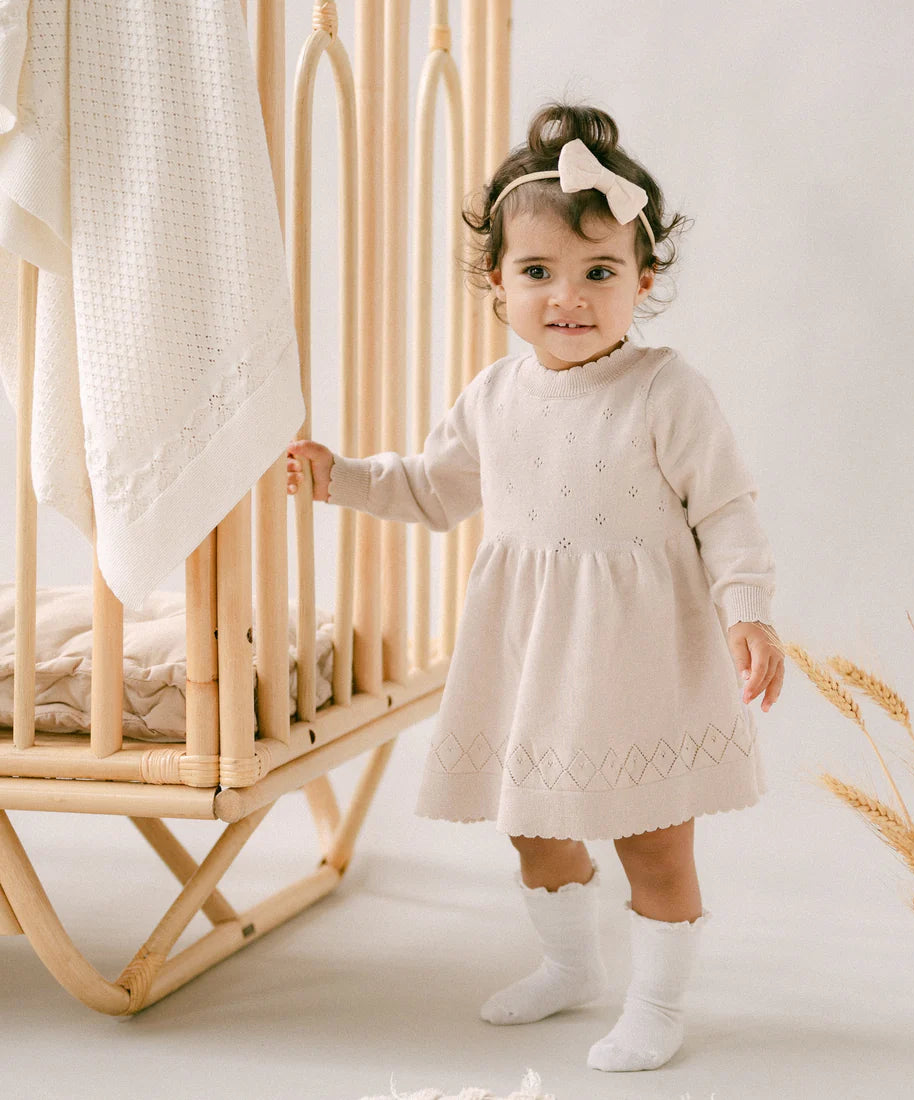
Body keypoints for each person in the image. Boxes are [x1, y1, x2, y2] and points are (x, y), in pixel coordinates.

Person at [286, 101, 783, 1074]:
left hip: (640, 654)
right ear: (496, 282)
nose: (569, 297)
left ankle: (656, 1002)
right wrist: (340, 476)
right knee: (535, 827)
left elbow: (725, 508)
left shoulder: (664, 390)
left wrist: (749, 612)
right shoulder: (492, 396)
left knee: (652, 837)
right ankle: (570, 963)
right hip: (534, 654)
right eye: (538, 272)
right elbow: (430, 489)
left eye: (599, 272)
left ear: (642, 281)